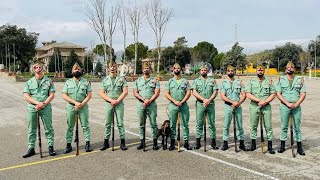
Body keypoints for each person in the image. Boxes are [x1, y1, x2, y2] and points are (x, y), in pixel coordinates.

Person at [22, 61, 56, 158]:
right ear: (34, 69)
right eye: (36, 67)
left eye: (39, 67)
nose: (38, 68)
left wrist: (44, 103)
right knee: (31, 128)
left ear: (42, 68)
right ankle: (31, 148)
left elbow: (52, 95)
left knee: (48, 128)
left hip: (46, 107)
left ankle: (50, 147)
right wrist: (37, 103)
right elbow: (26, 95)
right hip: (33, 107)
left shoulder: (48, 81)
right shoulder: (29, 82)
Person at [276, 61, 306, 155]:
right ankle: (282, 146)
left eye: (292, 67)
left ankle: (300, 147)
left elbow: (303, 94)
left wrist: (296, 104)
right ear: (286, 69)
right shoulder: (281, 80)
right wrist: (287, 103)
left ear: (294, 69)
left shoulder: (300, 80)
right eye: (288, 67)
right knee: (284, 126)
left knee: (297, 127)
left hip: (296, 107)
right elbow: (278, 94)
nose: (290, 69)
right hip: (285, 106)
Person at [62, 63, 93, 153]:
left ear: (81, 71)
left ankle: (87, 144)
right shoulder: (68, 82)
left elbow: (89, 95)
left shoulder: (86, 82)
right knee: (70, 126)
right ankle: (68, 145)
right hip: (71, 106)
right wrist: (75, 103)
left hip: (83, 106)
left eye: (78, 69)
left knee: (85, 125)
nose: (77, 70)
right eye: (75, 69)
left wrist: (81, 104)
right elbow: (64, 95)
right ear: (72, 71)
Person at [246, 64, 276, 154]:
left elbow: (273, 94)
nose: (260, 71)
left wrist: (265, 102)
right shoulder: (251, 81)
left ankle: (270, 146)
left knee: (268, 126)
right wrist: (259, 100)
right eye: (258, 70)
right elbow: (248, 94)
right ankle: (253, 144)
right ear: (256, 71)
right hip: (254, 106)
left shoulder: (269, 81)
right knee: (253, 125)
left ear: (264, 71)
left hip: (266, 106)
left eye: (262, 70)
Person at [99, 61, 128, 151]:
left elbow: (125, 91)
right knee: (107, 123)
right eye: (111, 66)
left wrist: (117, 100)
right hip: (108, 104)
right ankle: (106, 142)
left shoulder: (122, 79)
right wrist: (111, 100)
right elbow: (101, 92)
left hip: (119, 104)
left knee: (120, 123)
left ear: (117, 68)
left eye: (114, 66)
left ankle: (122, 143)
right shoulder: (105, 80)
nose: (112, 68)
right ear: (108, 68)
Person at [165, 63, 192, 150]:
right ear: (173, 70)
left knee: (185, 125)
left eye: (178, 68)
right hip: (173, 105)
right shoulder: (170, 81)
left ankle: (186, 142)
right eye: (175, 68)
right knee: (172, 125)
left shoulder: (185, 81)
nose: (177, 70)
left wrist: (182, 101)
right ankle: (172, 142)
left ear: (181, 69)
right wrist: (174, 101)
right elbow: (166, 93)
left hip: (183, 105)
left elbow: (188, 93)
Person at [191, 64, 219, 150]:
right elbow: (194, 92)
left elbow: (215, 92)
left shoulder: (212, 80)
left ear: (207, 71)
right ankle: (198, 142)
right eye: (202, 70)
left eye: (205, 70)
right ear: (200, 71)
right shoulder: (196, 81)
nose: (203, 71)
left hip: (210, 104)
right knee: (199, 123)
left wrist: (209, 100)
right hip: (200, 104)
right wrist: (203, 99)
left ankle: (213, 142)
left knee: (211, 123)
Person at [133, 63, 160, 150]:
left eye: (148, 68)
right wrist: (143, 100)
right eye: (144, 68)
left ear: (150, 69)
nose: (146, 69)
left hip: (151, 104)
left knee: (153, 123)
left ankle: (155, 142)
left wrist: (149, 100)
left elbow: (157, 93)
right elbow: (135, 92)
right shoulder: (138, 81)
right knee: (141, 124)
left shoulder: (155, 80)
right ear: (142, 70)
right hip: (141, 104)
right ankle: (142, 142)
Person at [220, 65, 247, 151]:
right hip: (228, 106)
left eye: (232, 71)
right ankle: (225, 143)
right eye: (229, 71)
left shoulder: (239, 82)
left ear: (234, 72)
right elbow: (222, 96)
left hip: (238, 106)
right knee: (226, 125)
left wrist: (238, 103)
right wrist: (232, 102)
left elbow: (244, 94)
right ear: (226, 72)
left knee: (239, 125)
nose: (230, 72)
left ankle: (241, 143)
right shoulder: (224, 83)